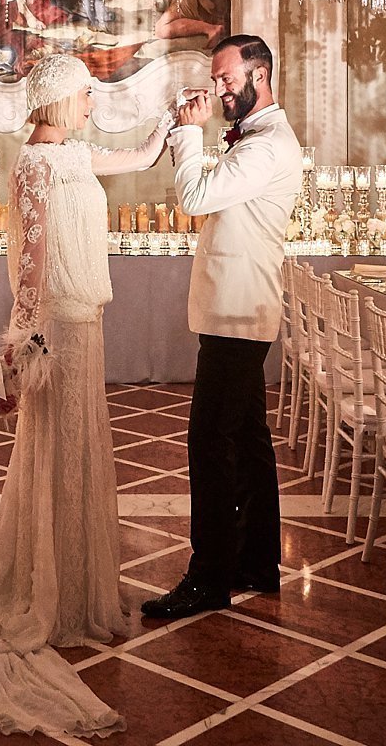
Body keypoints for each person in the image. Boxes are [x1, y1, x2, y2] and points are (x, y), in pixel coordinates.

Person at [0, 53, 171, 737]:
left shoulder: (73, 155)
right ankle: (52, 590)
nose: (91, 104)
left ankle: (78, 588)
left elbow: (139, 155)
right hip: (58, 325)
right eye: (84, 95)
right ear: (58, 100)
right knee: (56, 448)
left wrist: (174, 124)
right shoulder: (34, 164)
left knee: (79, 446)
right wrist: (21, 337)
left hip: (87, 321)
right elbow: (32, 257)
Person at [142, 34, 302, 619]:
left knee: (210, 445)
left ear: (259, 76)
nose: (218, 91)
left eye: (226, 80)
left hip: (238, 312)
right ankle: (257, 562)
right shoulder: (256, 140)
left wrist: (189, 135)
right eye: (215, 80)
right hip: (239, 309)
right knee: (248, 442)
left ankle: (208, 579)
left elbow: (195, 197)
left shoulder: (267, 147)